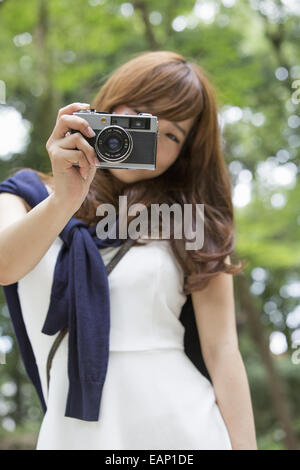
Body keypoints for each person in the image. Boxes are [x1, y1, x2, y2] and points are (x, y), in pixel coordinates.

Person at [0, 50, 257, 450]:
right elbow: (4, 265)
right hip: (73, 434)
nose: (148, 140)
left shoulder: (189, 220)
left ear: (185, 153)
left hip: (185, 431)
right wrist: (66, 200)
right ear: (105, 108)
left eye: (171, 134)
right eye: (139, 117)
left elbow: (222, 350)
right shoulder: (27, 195)